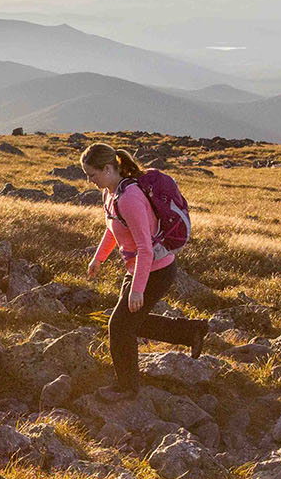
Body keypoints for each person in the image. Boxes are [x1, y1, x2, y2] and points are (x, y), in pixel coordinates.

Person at [81, 143, 207, 402]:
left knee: (119, 326)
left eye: (92, 174)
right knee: (128, 322)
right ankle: (190, 332)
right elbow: (113, 229)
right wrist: (98, 259)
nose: (89, 180)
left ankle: (127, 388)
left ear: (107, 168)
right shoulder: (111, 194)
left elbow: (145, 248)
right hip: (142, 268)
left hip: (155, 271)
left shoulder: (130, 198)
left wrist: (137, 289)